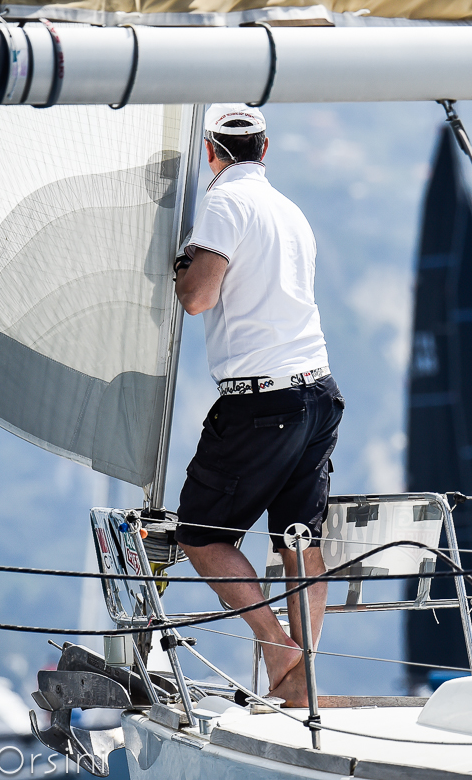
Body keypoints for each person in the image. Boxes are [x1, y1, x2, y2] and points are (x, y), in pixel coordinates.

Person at [173, 104, 344, 708]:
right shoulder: (290, 211)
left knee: (201, 534)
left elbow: (197, 297)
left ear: (210, 152)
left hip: (261, 400)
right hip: (317, 391)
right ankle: (301, 681)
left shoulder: (224, 203)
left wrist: (180, 266)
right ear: (264, 148)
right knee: (299, 539)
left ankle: (277, 648)